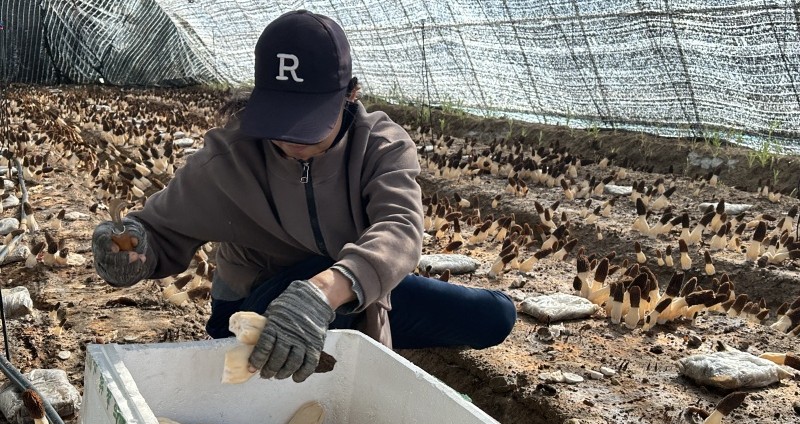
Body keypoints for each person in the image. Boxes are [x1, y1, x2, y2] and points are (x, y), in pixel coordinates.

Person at [91, 10, 516, 383]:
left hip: (340, 294)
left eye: (309, 122)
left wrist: (323, 292)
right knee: (318, 289)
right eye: (280, 119)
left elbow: (399, 228)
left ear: (350, 94)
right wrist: (133, 250)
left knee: (494, 316)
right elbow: (158, 231)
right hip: (251, 310)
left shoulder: (380, 145)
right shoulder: (229, 157)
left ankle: (347, 331)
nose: (292, 139)